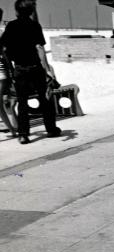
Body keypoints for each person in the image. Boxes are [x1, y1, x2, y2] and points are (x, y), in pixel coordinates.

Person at [0, 0, 60, 145]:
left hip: (20, 69)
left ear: (16, 11)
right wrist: (47, 70)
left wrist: (10, 65)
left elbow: (3, 48)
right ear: (31, 11)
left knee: (22, 102)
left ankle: (23, 134)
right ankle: (51, 129)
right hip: (35, 68)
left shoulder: (11, 26)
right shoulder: (35, 26)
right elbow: (39, 48)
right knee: (44, 99)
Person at [0, 7, 17, 137]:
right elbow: (6, 57)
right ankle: (12, 129)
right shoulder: (1, 34)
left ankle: (12, 129)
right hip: (3, 74)